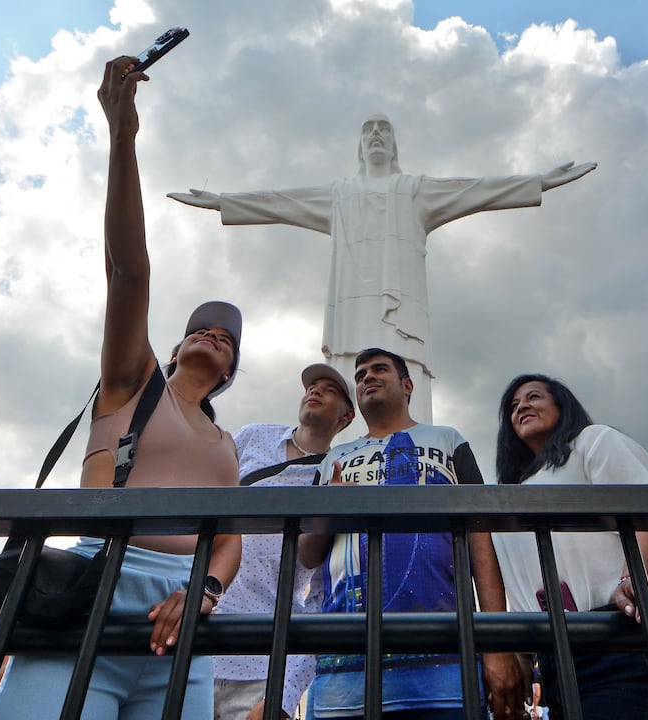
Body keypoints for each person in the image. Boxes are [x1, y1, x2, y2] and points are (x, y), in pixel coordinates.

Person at [0, 56, 243, 720]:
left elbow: (230, 533)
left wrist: (206, 591)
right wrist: (122, 136)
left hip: (184, 616)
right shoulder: (133, 382)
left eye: (226, 335)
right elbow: (128, 273)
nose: (211, 332)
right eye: (200, 326)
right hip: (99, 579)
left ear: (233, 367)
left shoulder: (226, 442)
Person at [168, 115, 595, 423]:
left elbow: (476, 190)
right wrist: (225, 201)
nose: (375, 137)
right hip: (349, 310)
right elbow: (280, 202)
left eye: (384, 131)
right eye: (368, 132)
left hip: (402, 309)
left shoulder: (413, 190)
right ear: (359, 147)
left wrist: (536, 181)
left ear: (394, 147)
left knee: (404, 370)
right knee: (350, 370)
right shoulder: (340, 194)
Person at [296, 348, 524, 719]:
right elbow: (307, 555)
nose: (366, 377)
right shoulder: (333, 459)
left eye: (379, 369)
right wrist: (328, 510)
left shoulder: (448, 441)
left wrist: (497, 645)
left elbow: (480, 537)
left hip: (446, 659)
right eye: (360, 375)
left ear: (407, 385)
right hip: (345, 668)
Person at [488, 374, 648, 720]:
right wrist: (517, 654)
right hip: (556, 659)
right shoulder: (507, 493)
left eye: (534, 397)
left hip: (622, 639)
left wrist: (637, 580)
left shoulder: (591, 442)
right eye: (513, 407)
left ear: (562, 405)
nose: (522, 407)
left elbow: (647, 511)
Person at [213, 363, 356, 720]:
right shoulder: (252, 438)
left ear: (347, 416)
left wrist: (281, 697)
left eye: (330, 390)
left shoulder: (334, 476)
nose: (315, 391)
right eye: (312, 385)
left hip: (263, 663)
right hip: (197, 644)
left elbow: (322, 600)